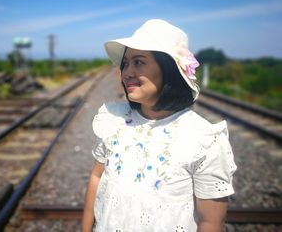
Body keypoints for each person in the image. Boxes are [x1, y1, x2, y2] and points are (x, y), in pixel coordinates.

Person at [82, 19, 236, 232]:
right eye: (125, 63)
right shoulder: (115, 120)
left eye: (138, 62)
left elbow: (210, 222)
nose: (126, 73)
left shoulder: (203, 138)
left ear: (169, 69)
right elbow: (97, 176)